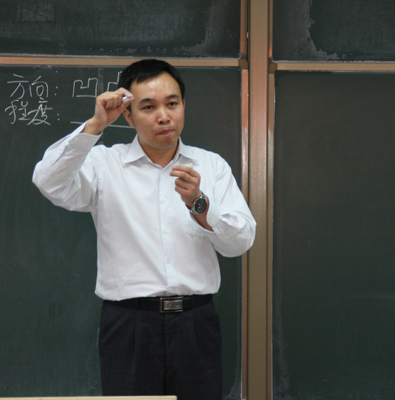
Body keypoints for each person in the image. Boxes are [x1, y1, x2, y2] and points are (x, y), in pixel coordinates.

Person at [32, 59, 256, 400]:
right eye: (148, 107)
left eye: (172, 103)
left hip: (195, 324)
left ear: (184, 105)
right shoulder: (104, 164)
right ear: (128, 115)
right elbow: (48, 181)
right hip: (129, 326)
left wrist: (199, 203)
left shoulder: (210, 166)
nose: (164, 116)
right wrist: (94, 125)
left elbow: (240, 242)